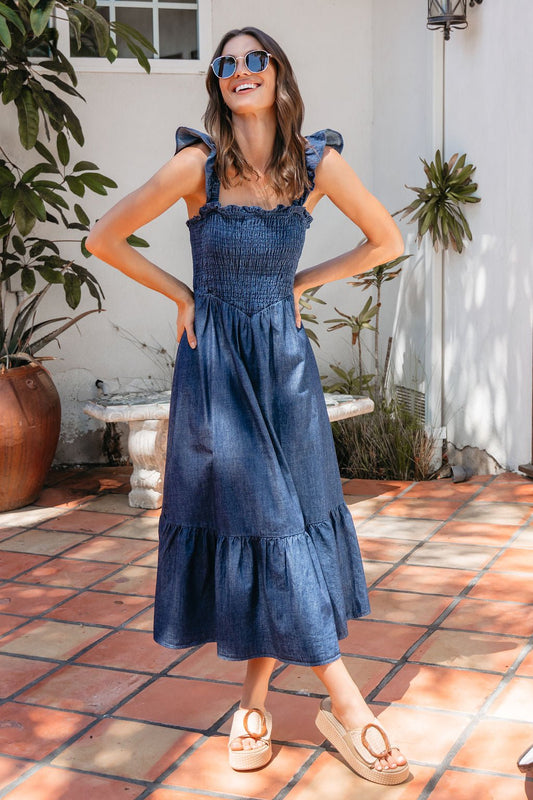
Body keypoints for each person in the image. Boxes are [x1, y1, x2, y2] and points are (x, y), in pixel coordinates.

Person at [86, 26, 409, 786]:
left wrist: (300, 285)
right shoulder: (196, 164)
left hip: (283, 369)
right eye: (224, 63)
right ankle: (349, 706)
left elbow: (384, 240)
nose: (239, 71)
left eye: (252, 59)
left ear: (278, 75)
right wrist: (181, 294)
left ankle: (251, 702)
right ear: (217, 83)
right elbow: (104, 237)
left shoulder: (314, 164)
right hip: (217, 374)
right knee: (263, 520)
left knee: (282, 525)